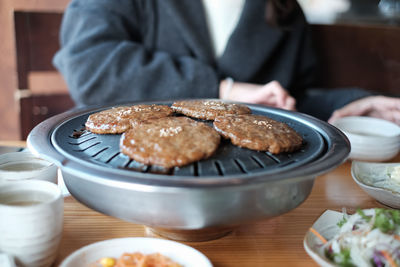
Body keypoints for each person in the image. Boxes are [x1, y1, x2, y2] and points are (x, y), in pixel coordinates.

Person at [53, 0, 400, 125]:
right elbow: (89, 65)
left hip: (244, 191)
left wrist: (350, 104)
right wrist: (221, 90)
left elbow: (287, 100)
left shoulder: (283, 11)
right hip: (123, 176)